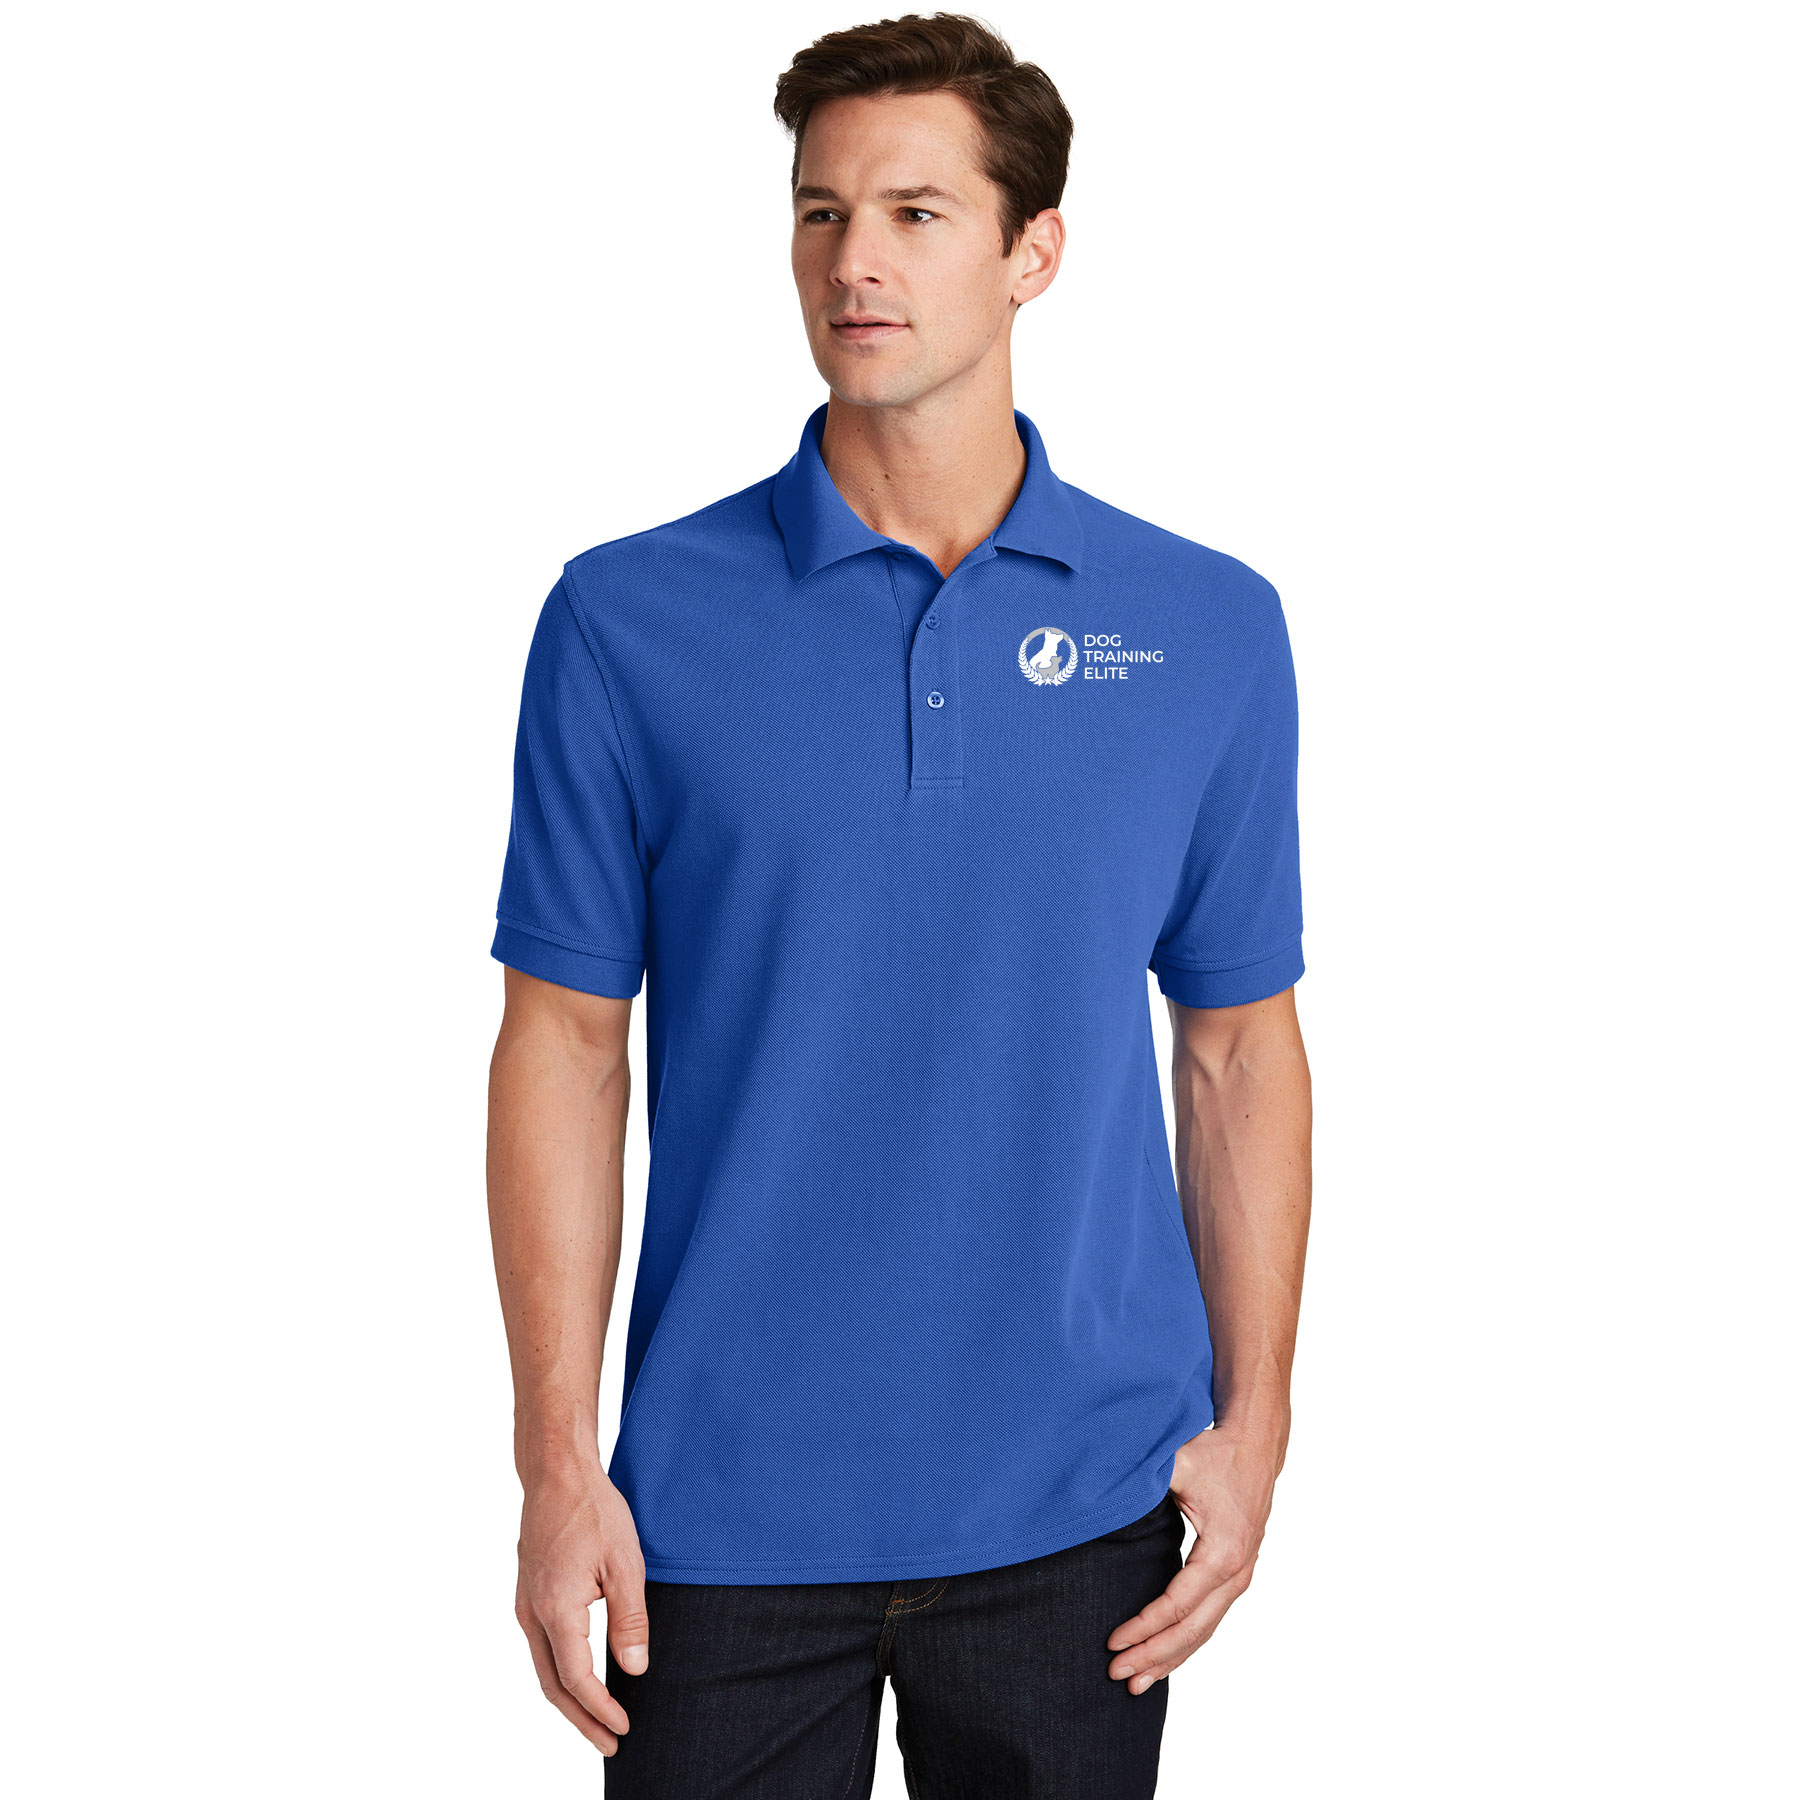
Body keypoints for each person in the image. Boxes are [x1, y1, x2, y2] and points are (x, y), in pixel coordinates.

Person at [484, 13, 1312, 1795]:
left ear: (1034, 251)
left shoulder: (1207, 629)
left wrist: (1258, 1428)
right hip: (710, 1522)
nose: (853, 260)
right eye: (820, 212)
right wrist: (556, 1463)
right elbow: (562, 1044)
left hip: (1082, 1518)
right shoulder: (625, 622)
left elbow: (1238, 1049)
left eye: (917, 214)